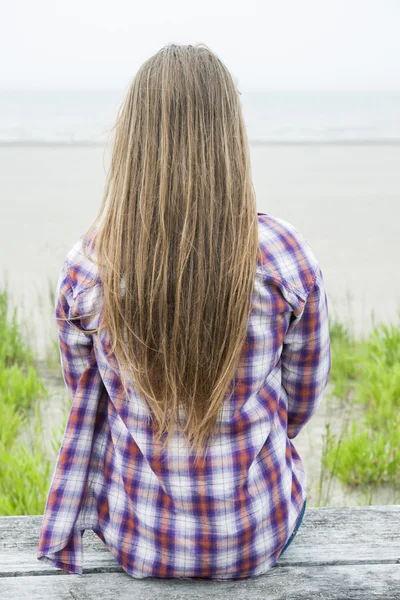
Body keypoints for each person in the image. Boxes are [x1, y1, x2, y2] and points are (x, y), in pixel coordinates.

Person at [37, 43, 331, 581]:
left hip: (138, 540)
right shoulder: (285, 256)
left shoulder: (87, 267)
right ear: (230, 141)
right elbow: (302, 403)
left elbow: (85, 395)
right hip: (257, 536)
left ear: (132, 143)